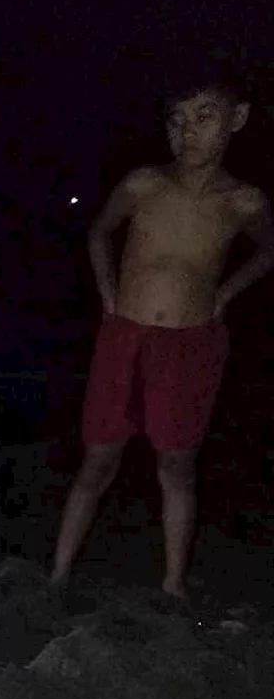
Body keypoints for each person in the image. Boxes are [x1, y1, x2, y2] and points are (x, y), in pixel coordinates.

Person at [50, 65, 274, 599]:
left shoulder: (243, 200)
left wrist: (224, 294)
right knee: (99, 456)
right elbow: (101, 231)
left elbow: (269, 250)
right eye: (177, 120)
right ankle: (57, 573)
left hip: (191, 341)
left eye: (204, 117)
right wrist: (106, 291)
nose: (187, 132)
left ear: (236, 120)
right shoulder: (143, 182)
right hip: (124, 333)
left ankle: (173, 583)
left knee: (176, 462)